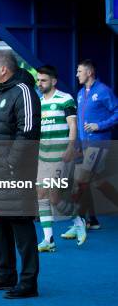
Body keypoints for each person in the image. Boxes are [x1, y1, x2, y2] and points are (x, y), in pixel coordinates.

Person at [0, 51, 41, 299]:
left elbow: (28, 133)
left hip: (14, 174)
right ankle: (5, 275)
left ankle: (28, 282)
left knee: (21, 226)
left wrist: (11, 164)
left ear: (4, 69)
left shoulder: (24, 92)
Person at [62, 59, 118, 237]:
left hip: (98, 144)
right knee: (97, 182)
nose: (76, 74)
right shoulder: (80, 93)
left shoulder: (103, 91)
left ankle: (79, 222)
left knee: (79, 181)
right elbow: (78, 121)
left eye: (79, 71)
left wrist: (99, 125)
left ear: (90, 72)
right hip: (84, 145)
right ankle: (92, 220)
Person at [35, 65, 77, 252]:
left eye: (43, 80)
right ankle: (48, 239)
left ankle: (77, 218)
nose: (40, 83)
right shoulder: (39, 103)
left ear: (54, 81)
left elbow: (73, 125)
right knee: (42, 195)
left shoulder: (65, 99)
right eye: (38, 80)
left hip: (60, 155)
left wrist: (71, 147)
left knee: (54, 197)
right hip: (42, 155)